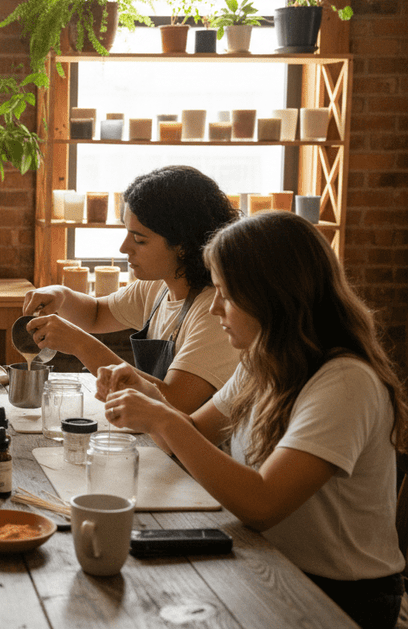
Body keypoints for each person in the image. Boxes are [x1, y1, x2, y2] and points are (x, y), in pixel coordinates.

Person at [99, 211, 407, 629]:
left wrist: (162, 420)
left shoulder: (345, 381)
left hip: (340, 595)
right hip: (267, 560)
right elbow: (194, 435)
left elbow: (263, 504)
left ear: (272, 296)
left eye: (226, 294)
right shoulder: (263, 360)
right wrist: (144, 393)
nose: (215, 310)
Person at [24, 165, 240, 412]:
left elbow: (173, 403)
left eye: (139, 239)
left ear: (182, 245)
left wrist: (80, 345)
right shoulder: (157, 286)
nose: (124, 247)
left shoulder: (217, 312)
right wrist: (61, 295)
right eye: (127, 233)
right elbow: (96, 314)